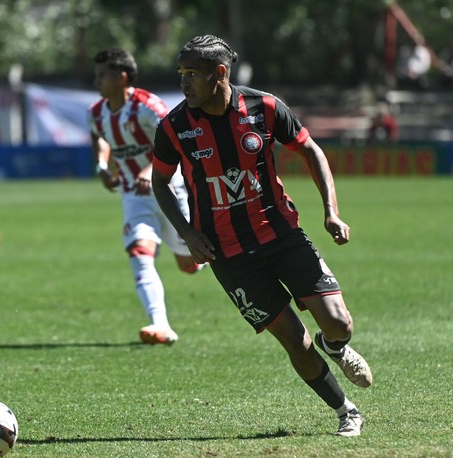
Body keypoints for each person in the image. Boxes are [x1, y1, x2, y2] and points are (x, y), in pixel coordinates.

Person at [151, 35, 373, 436]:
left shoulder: (265, 107)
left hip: (282, 235)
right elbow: (160, 182)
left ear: (220, 73)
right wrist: (186, 232)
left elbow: (311, 151)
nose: (184, 83)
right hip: (229, 256)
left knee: (338, 322)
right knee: (295, 340)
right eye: (180, 74)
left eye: (192, 75)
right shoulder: (174, 127)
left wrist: (330, 211)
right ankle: (346, 411)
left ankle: (336, 345)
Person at [87, 47, 202, 345]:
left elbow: (174, 142)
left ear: (122, 77)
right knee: (139, 252)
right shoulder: (96, 112)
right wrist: (102, 164)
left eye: (102, 75)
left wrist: (148, 170)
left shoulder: (148, 107)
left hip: (169, 189)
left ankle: (203, 252)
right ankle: (160, 325)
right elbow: (99, 134)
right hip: (133, 195)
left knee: (189, 264)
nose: (96, 81)